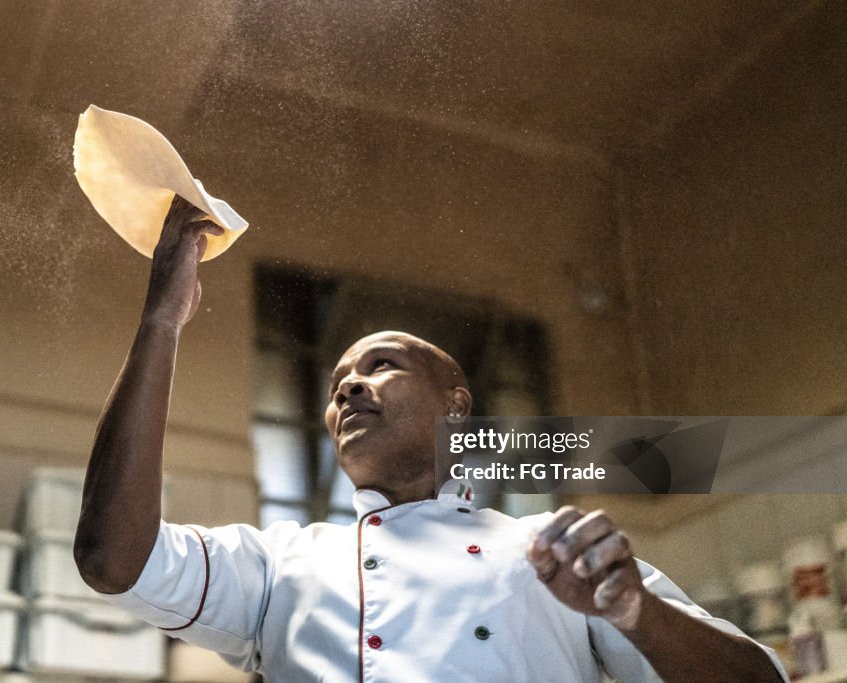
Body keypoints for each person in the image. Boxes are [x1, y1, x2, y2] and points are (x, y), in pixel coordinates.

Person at [74, 198, 788, 682]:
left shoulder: (548, 551)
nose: (348, 387)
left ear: (457, 404)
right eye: (335, 384)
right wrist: (161, 322)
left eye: (381, 365)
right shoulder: (280, 563)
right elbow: (114, 558)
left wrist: (636, 610)